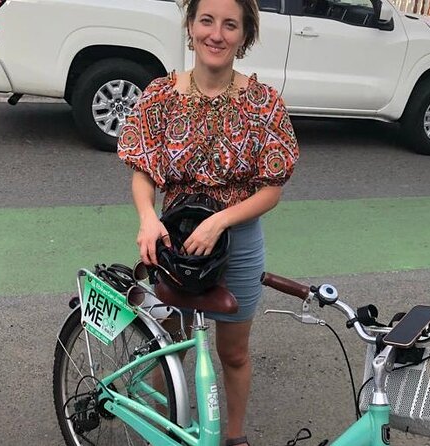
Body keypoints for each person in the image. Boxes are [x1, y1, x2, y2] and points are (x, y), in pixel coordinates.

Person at [117, 0, 300, 444]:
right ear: (191, 26)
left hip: (237, 243)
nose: (216, 34)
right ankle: (161, 427)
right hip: (173, 239)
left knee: (233, 353)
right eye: (207, 21)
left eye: (230, 25)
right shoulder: (160, 95)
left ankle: (233, 437)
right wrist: (146, 218)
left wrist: (220, 221)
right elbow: (143, 172)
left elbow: (271, 189)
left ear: (244, 35)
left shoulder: (262, 104)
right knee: (168, 345)